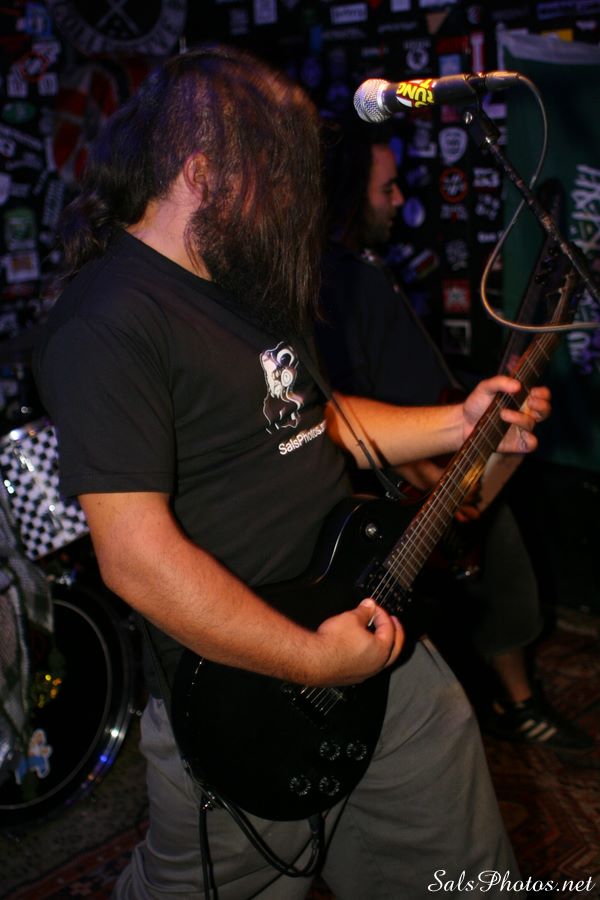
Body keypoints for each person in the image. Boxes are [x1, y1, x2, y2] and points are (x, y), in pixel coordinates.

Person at [34, 46, 551, 899]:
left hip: (367, 617)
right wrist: (312, 661)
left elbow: (316, 422)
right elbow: (135, 557)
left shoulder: (241, 281)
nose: (291, 198)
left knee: (465, 874)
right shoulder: (109, 321)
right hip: (245, 694)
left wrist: (457, 422)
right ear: (200, 173)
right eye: (272, 174)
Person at [315, 118, 593, 752]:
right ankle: (514, 705)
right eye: (385, 189)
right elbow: (347, 409)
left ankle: (510, 701)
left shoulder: (367, 267)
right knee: (494, 573)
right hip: (418, 478)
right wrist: (430, 474)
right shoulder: (336, 280)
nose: (397, 200)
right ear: (349, 193)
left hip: (447, 457)